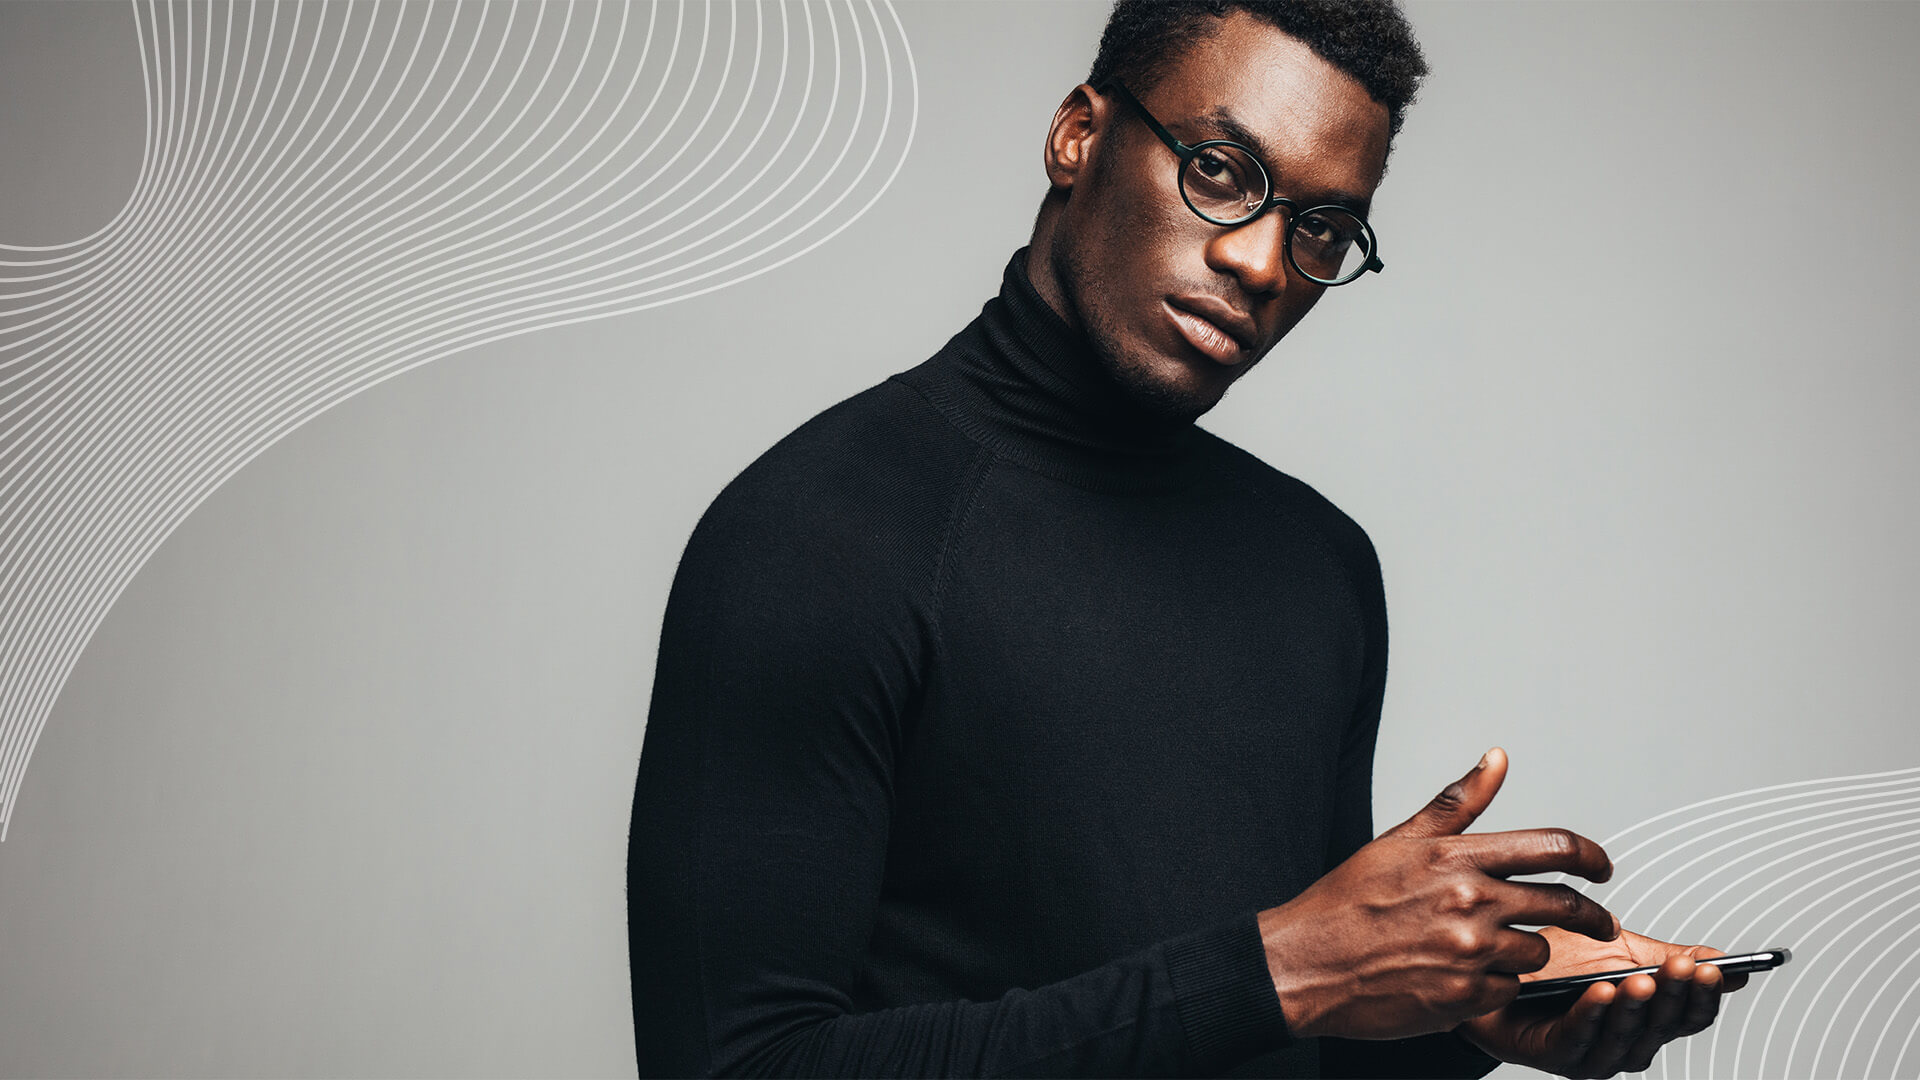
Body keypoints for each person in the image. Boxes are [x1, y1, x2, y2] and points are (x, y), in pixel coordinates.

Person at [627, 2, 1749, 1076]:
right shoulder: (814, 535)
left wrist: (1459, 1026)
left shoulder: (1319, 567)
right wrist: (1281, 970)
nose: (1262, 265)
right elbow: (738, 1065)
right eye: (1220, 170)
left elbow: (1274, 1038)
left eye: (1320, 226)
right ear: (1079, 135)